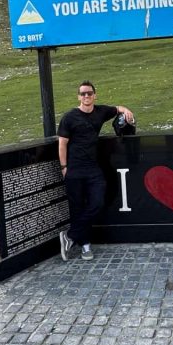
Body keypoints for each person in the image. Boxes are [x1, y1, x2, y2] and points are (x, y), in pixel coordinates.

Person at [57, 80, 134, 261]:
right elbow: (62, 144)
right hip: (74, 169)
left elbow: (117, 108)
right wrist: (64, 167)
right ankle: (85, 246)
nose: (86, 96)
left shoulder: (100, 111)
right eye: (83, 93)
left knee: (98, 203)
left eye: (89, 93)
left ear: (94, 95)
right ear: (78, 96)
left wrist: (126, 111)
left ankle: (70, 236)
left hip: (92, 169)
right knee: (77, 208)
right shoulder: (69, 117)